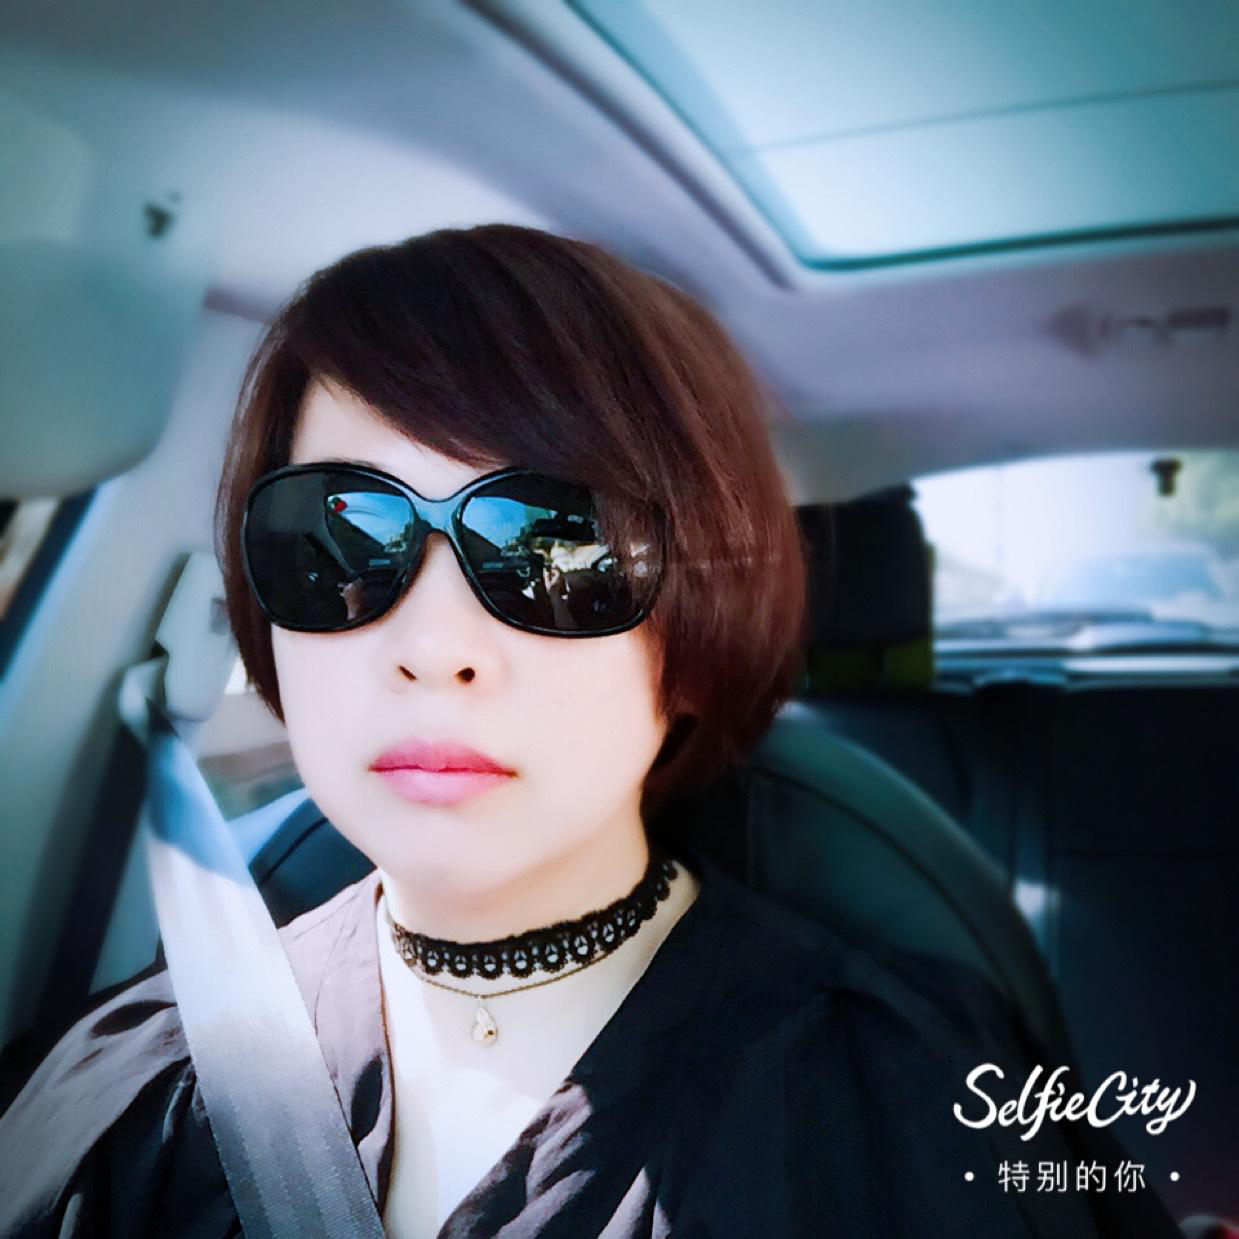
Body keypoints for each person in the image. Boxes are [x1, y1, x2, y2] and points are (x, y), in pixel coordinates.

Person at [0, 225, 1183, 1238]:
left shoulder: (909, 1107)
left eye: (554, 548)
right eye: (341, 539)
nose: (433, 646)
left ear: (695, 636)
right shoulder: (141, 1085)